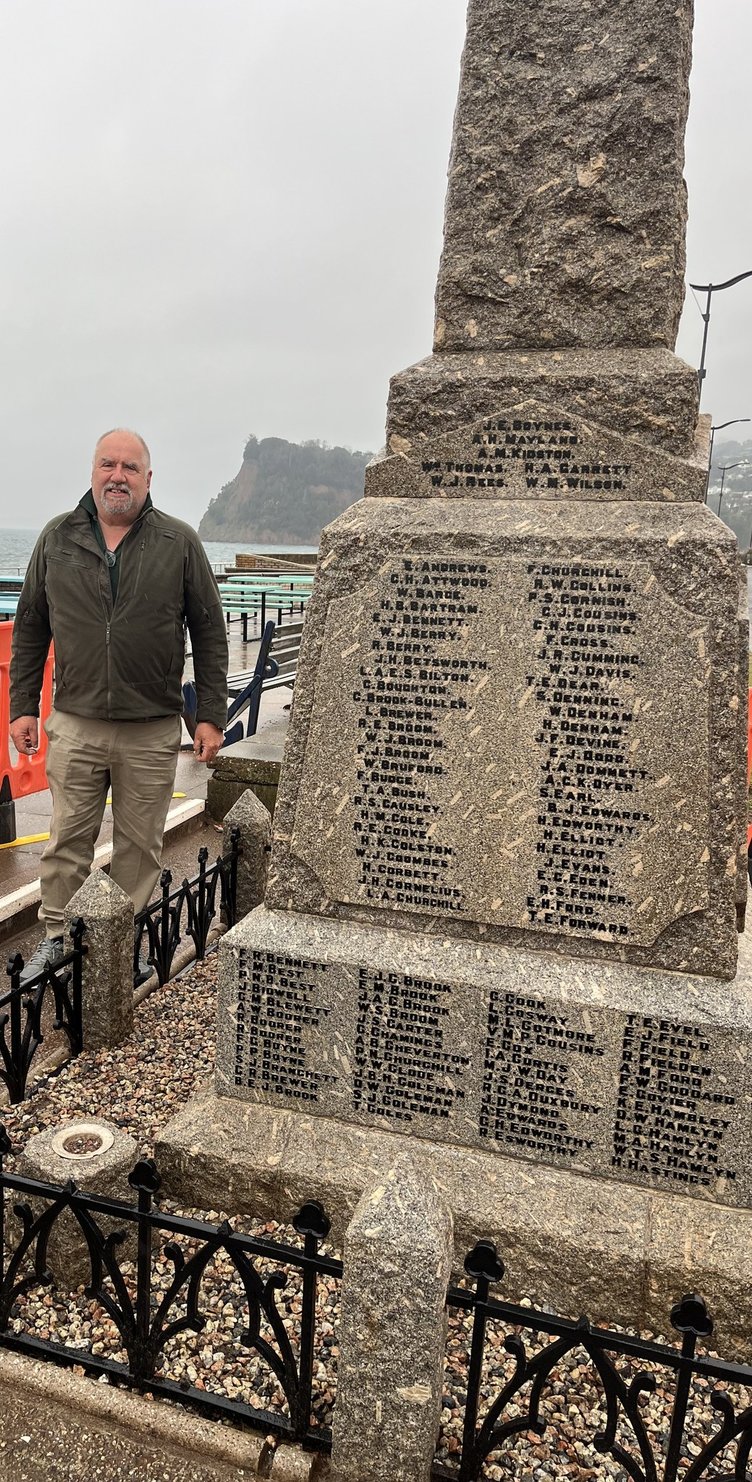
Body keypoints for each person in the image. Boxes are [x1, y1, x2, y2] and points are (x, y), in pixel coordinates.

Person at [9, 428, 228, 982]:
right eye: (109, 464)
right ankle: (57, 939)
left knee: (139, 846)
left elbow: (209, 629)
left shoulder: (178, 542)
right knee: (66, 841)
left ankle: (117, 944)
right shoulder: (57, 538)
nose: (118, 476)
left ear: (148, 479)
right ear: (93, 472)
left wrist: (209, 714)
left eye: (130, 468)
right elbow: (30, 625)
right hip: (76, 722)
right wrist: (22, 706)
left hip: (151, 728)